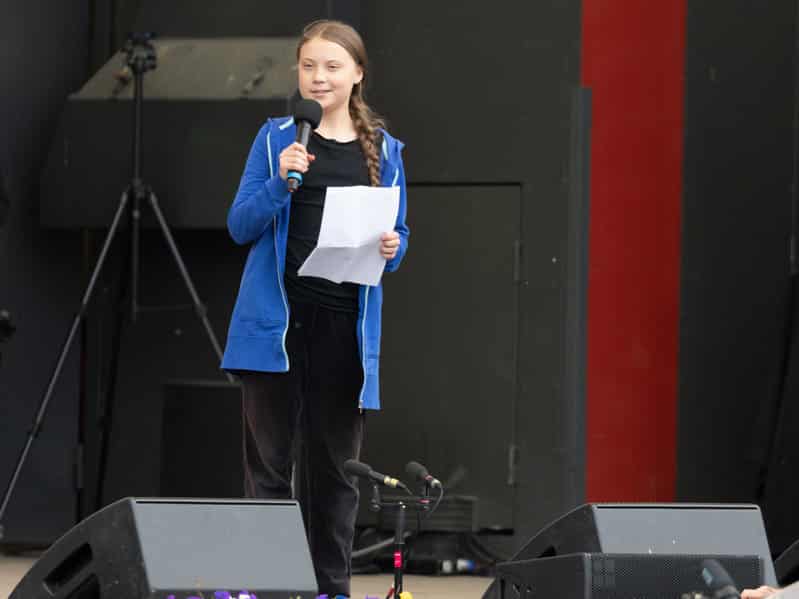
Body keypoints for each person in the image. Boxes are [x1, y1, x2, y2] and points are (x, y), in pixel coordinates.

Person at [220, 19, 409, 598]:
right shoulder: (277, 139)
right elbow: (239, 226)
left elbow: (398, 236)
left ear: (357, 74)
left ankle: (332, 588)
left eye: (332, 66)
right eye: (309, 66)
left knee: (335, 475)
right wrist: (280, 183)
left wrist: (394, 247)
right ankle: (269, 588)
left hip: (342, 329)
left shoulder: (388, 151)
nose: (319, 77)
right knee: (270, 468)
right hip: (276, 327)